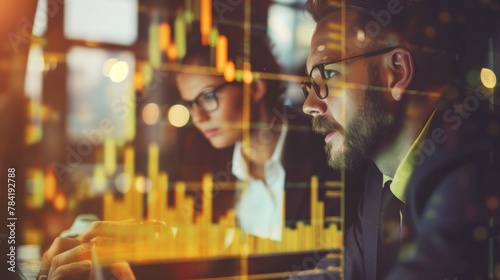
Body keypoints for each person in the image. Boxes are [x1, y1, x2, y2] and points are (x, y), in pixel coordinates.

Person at [293, 0, 500, 279]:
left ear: (397, 72)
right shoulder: (382, 181)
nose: (309, 104)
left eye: (328, 73)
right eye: (310, 82)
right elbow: (346, 270)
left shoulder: (473, 171)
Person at [173, 24, 337, 241]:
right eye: (191, 105)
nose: (198, 118)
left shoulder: (326, 150)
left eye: (207, 97)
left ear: (255, 87)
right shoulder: (202, 169)